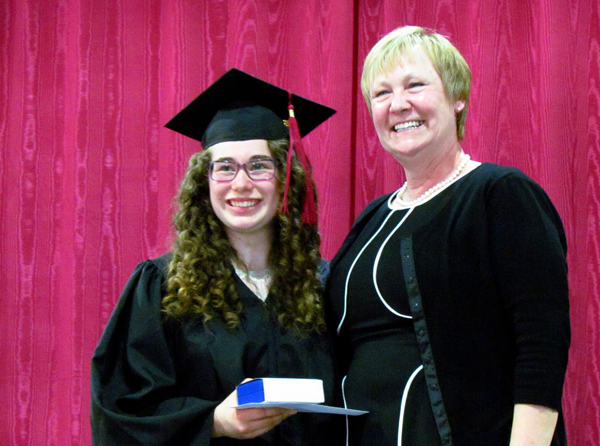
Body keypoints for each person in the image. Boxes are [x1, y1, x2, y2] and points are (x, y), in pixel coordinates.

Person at [325, 26, 570, 446]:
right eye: (381, 94)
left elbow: (541, 346)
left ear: (457, 97)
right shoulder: (371, 219)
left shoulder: (499, 194)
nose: (398, 105)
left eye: (415, 85)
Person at [91, 68, 342, 445]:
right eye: (224, 168)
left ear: (287, 177)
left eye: (259, 166)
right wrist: (211, 422)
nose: (241, 184)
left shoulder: (326, 285)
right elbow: (120, 412)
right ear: (203, 183)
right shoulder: (163, 290)